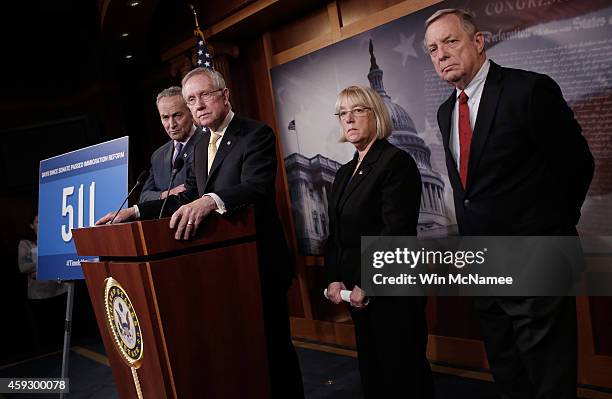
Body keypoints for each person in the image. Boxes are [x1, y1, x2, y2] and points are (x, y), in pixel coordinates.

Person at [97, 67, 304, 398]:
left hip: (258, 263)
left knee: (273, 351)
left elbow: (257, 186)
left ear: (224, 95)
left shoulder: (255, 134)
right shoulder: (200, 144)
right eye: (191, 99)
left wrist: (210, 201)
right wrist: (134, 211)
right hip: (221, 269)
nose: (198, 105)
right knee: (241, 356)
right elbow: (187, 194)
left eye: (205, 95)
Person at [424, 9, 594, 399]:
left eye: (450, 42)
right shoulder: (446, 110)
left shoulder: (529, 91)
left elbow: (576, 165)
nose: (441, 55)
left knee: (548, 378)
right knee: (507, 372)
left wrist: (548, 232)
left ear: (478, 41)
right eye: (432, 49)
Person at [325, 85, 433, 398]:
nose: (349, 119)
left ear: (377, 115)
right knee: (373, 373)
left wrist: (367, 283)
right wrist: (333, 277)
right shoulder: (344, 173)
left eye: (358, 110)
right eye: (343, 113)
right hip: (355, 291)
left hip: (391, 289)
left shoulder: (395, 162)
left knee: (403, 374)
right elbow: (336, 233)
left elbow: (395, 231)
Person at [139, 86, 203, 202]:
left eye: (177, 115)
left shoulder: (207, 142)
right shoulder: (158, 156)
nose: (171, 124)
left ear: (190, 111)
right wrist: (167, 194)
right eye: (165, 118)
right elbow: (144, 197)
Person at [18, 213, 68, 351]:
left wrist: (38, 269)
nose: (41, 225)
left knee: (60, 325)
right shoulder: (25, 244)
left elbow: (58, 261)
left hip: (58, 290)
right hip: (38, 294)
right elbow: (24, 266)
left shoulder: (53, 239)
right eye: (38, 222)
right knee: (44, 327)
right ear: (31, 225)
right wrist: (47, 265)